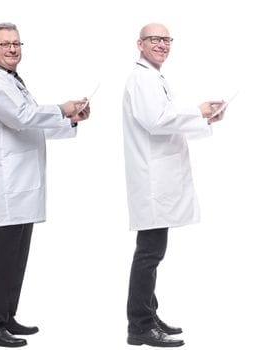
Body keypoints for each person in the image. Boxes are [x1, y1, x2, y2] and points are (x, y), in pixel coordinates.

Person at [0, 22, 91, 348]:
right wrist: (61, 108)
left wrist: (71, 120)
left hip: (24, 183)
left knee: (16, 254)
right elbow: (24, 118)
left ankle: (6, 316)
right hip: (7, 184)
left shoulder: (15, 83)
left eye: (17, 43)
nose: (12, 49)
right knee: (0, 256)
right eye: (5, 44)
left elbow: (33, 123)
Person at [121, 23, 224, 348]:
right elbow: (157, 121)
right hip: (152, 181)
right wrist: (197, 111)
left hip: (159, 180)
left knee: (153, 252)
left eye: (166, 39)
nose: (162, 44)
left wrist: (203, 118)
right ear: (140, 44)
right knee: (149, 254)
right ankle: (139, 325)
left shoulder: (154, 78)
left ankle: (148, 314)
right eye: (155, 39)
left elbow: (167, 119)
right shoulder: (141, 79)